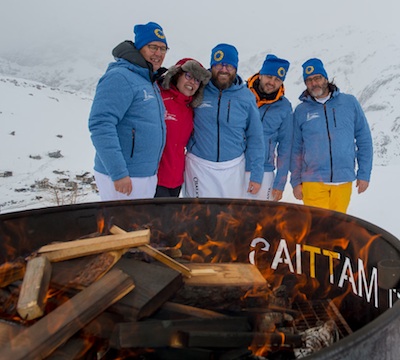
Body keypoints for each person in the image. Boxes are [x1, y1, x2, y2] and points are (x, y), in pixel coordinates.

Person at [88, 22, 168, 201]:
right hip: (125, 177)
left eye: (163, 49)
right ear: (139, 47)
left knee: (138, 228)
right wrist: (118, 173)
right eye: (153, 47)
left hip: (144, 175)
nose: (158, 54)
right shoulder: (120, 77)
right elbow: (101, 124)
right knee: (122, 228)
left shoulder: (148, 80)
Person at [290, 58, 373, 213]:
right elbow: (295, 149)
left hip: (343, 179)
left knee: (337, 231)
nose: (313, 83)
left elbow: (364, 139)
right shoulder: (301, 111)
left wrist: (364, 173)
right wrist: (295, 181)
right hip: (312, 181)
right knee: (316, 230)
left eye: (317, 78)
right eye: (308, 80)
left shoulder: (349, 102)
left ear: (326, 79)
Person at [184, 43, 264, 198]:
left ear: (235, 68)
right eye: (219, 64)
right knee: (198, 216)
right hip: (199, 165)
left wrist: (256, 174)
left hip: (233, 167)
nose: (224, 69)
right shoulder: (198, 89)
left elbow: (255, 136)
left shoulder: (246, 96)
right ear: (212, 66)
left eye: (229, 66)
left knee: (229, 218)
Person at [155, 58, 211, 197]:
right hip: (154, 179)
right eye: (189, 76)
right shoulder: (159, 98)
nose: (192, 82)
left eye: (197, 80)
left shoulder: (190, 109)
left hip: (176, 181)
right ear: (177, 74)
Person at [246, 54, 293, 201]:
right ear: (260, 75)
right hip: (235, 166)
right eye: (269, 77)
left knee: (261, 220)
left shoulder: (284, 107)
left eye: (277, 80)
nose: (272, 82)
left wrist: (280, 182)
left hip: (265, 170)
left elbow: (286, 147)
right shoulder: (242, 95)